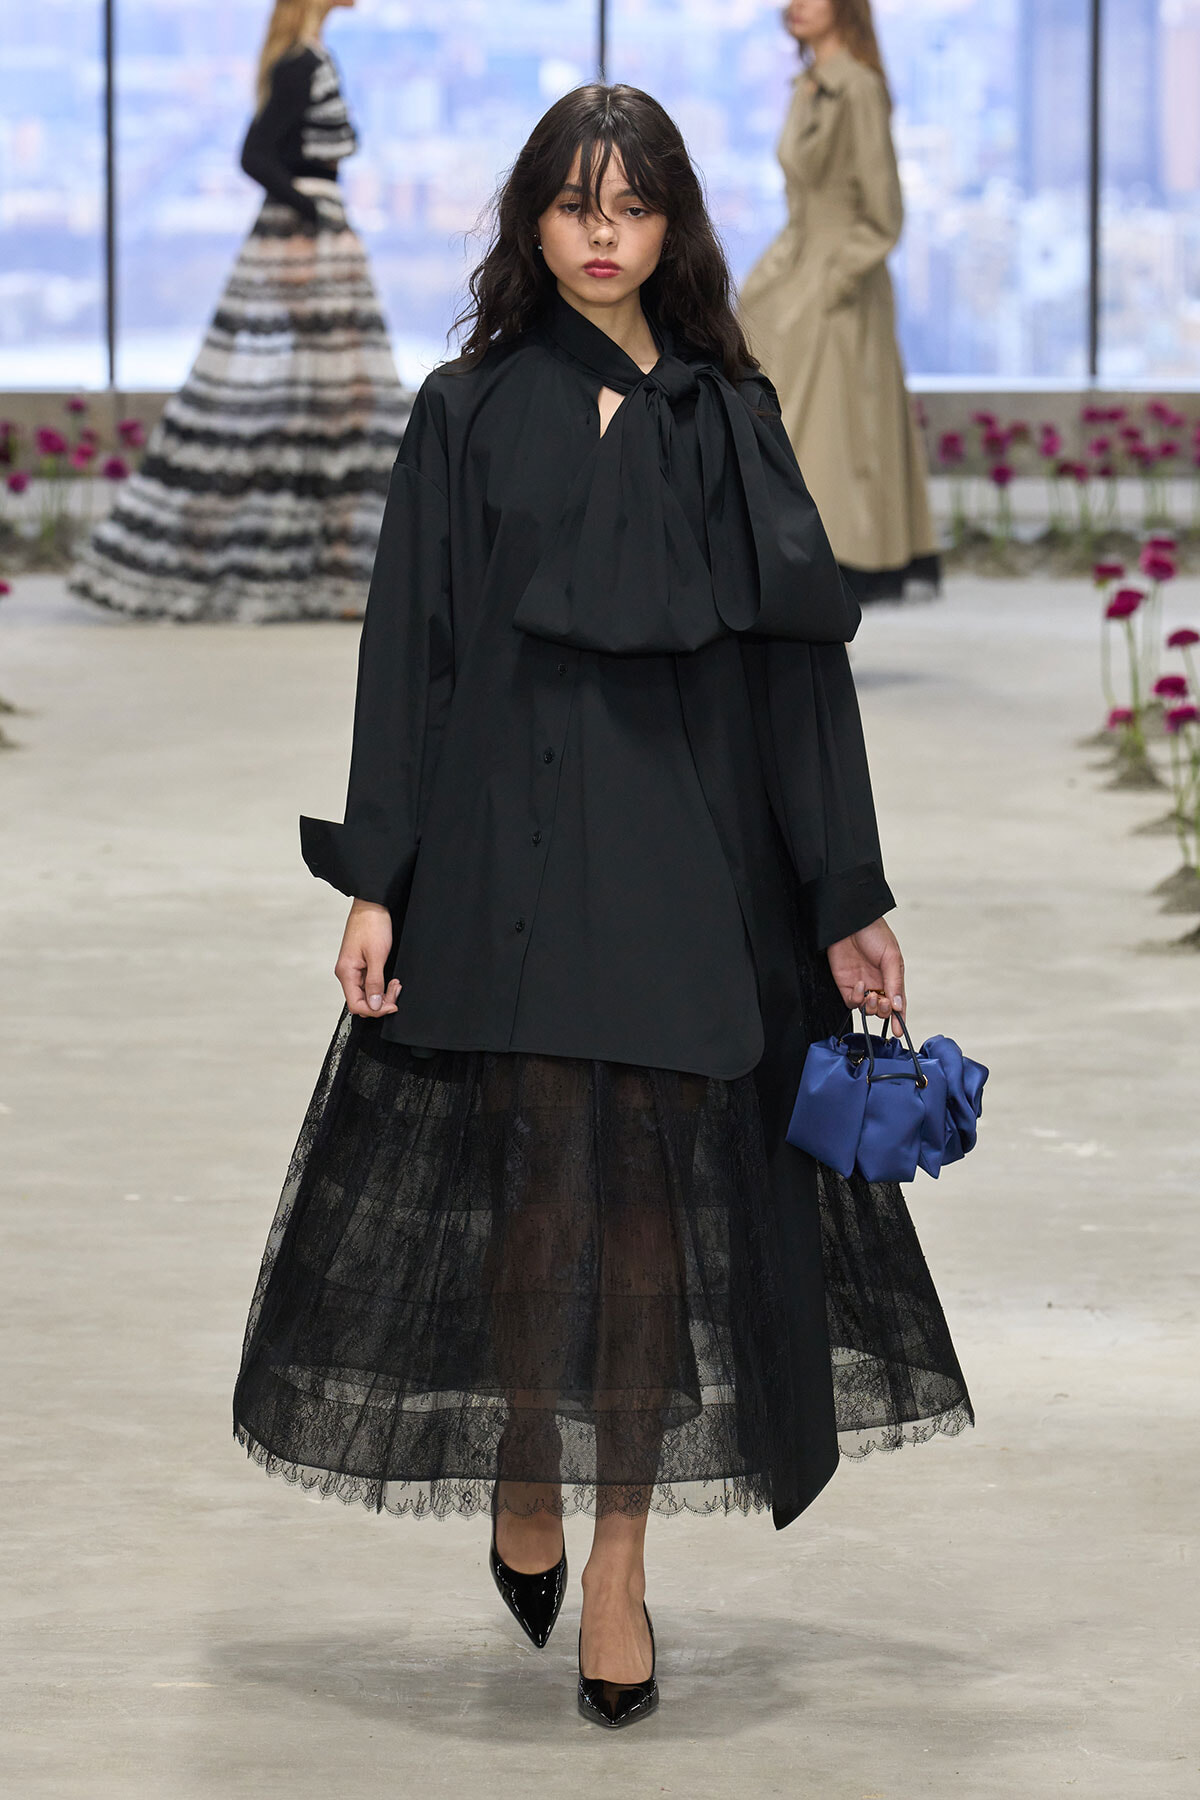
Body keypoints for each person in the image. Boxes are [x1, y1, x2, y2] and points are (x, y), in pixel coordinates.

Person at [232, 83, 971, 1730]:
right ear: (533, 220)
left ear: (670, 225)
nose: (602, 235)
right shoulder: (466, 412)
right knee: (535, 1202)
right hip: (505, 853)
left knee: (648, 1221)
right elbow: (411, 658)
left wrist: (844, 892)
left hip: (690, 861)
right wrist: (376, 881)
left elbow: (799, 679)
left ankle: (622, 1566)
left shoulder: (731, 416)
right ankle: (525, 1449)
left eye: (632, 206)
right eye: (575, 204)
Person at [71, 0, 409, 623]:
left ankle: (330, 571)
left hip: (314, 242)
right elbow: (255, 154)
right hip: (308, 247)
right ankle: (312, 570)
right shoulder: (301, 62)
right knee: (337, 407)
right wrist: (311, 209)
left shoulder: (307, 57)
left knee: (331, 408)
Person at [739, 0, 939, 604]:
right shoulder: (808, 86)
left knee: (837, 437)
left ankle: (838, 573)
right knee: (784, 423)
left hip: (839, 287)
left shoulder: (857, 88)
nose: (795, 6)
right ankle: (787, 567)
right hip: (792, 273)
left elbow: (883, 214)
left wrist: (833, 281)